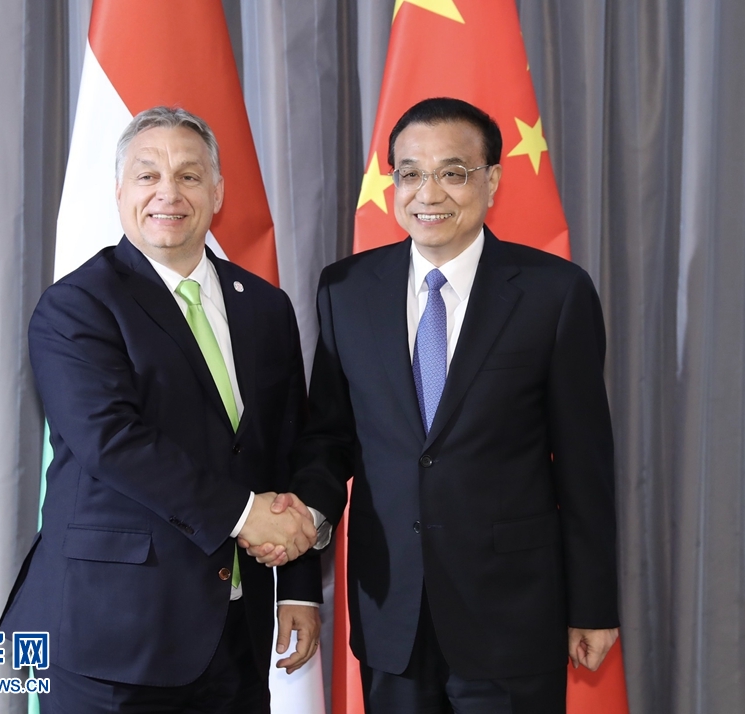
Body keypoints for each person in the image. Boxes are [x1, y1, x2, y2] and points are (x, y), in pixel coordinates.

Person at [248, 97, 619, 713]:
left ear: (491, 180)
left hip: (511, 616)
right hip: (391, 610)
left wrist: (594, 603)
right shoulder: (346, 289)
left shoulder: (555, 293)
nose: (429, 193)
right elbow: (330, 437)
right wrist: (308, 516)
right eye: (410, 173)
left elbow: (586, 464)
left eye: (452, 172)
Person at [0, 106, 321, 714]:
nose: (168, 193)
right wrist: (244, 515)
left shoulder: (266, 307)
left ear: (217, 192)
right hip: (113, 636)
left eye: (189, 176)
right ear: (120, 191)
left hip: (236, 636)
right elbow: (113, 442)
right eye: (147, 175)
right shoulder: (78, 305)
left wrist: (298, 589)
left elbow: (288, 451)